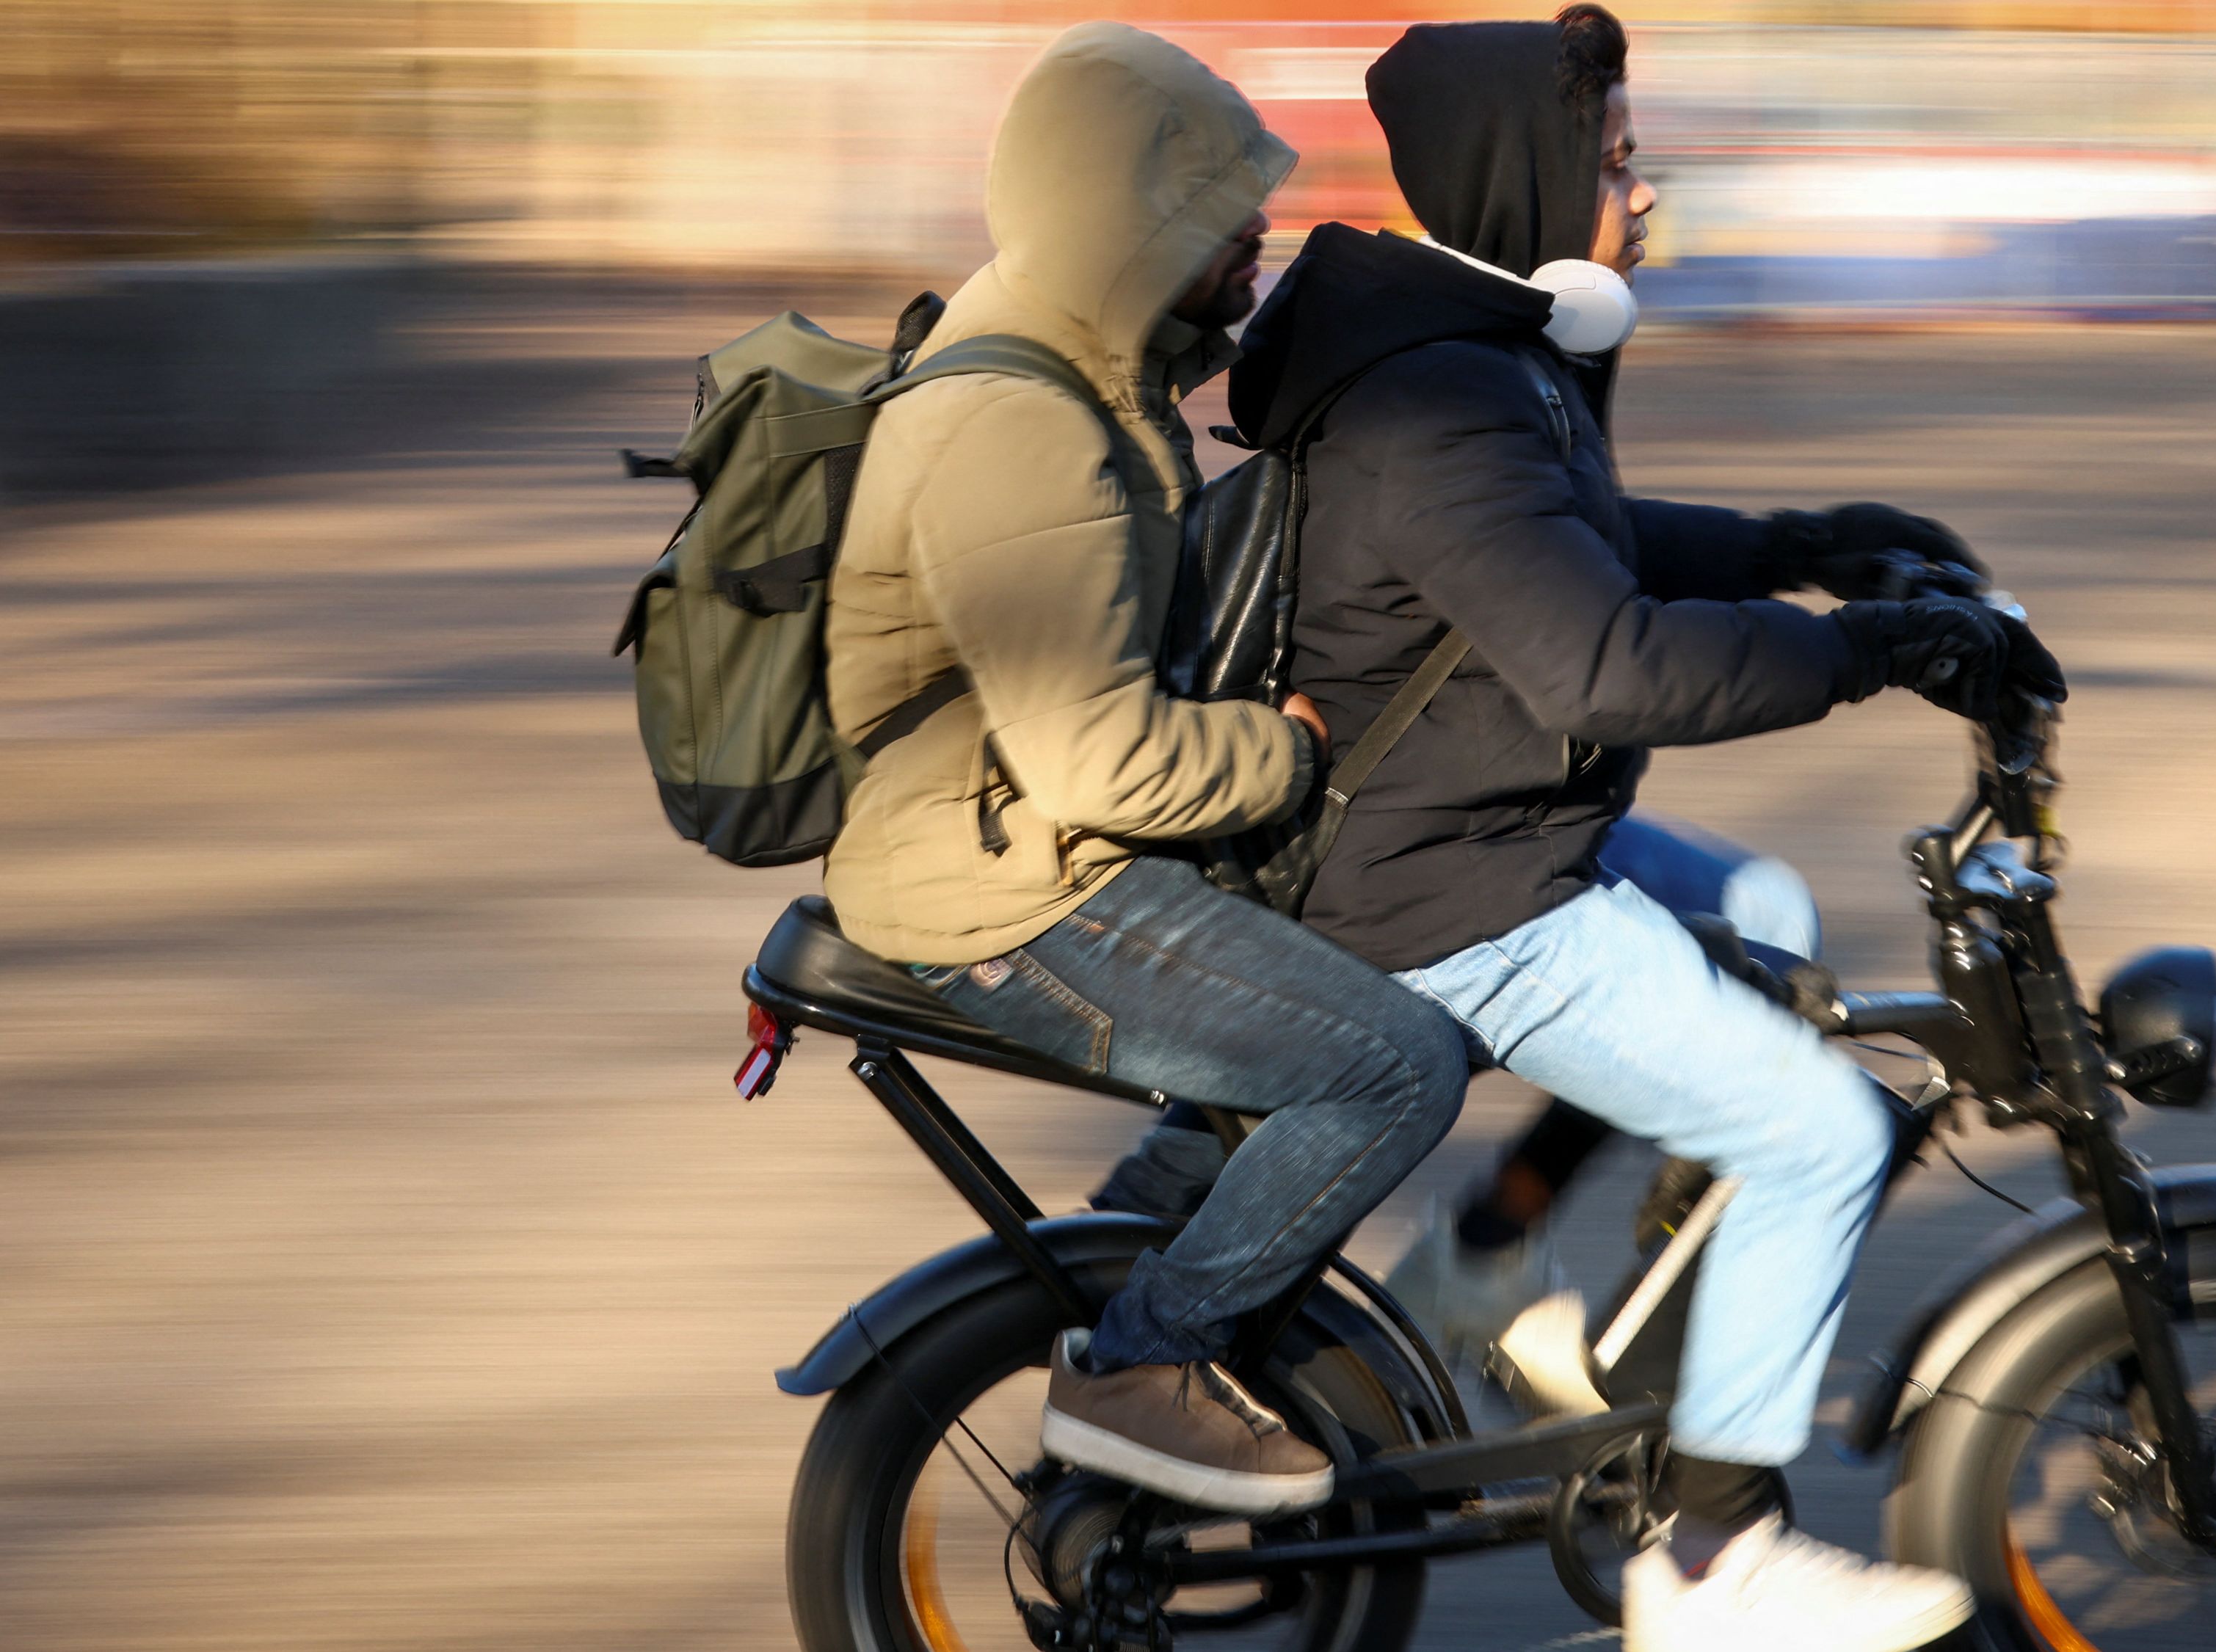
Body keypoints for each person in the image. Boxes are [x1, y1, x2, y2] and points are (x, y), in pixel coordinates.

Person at [1218, 10, 2067, 1648]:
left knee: (1766, 908)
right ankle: (1709, 1563)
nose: (1647, 191)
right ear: (1530, 177)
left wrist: (1807, 545)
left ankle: (1499, 1264)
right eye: (1615, 161)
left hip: (1472, 829)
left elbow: (1585, 540)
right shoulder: (1443, 395)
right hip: (1445, 891)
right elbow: (1604, 664)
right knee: (1818, 1130)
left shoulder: (1475, 352)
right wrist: (1877, 651)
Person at [820, 22, 1470, 1518]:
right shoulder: (1020, 424)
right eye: (1218, 210)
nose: (1259, 232)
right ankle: (1142, 1361)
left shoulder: (1083, 368)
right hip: (1009, 890)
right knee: (1390, 1063)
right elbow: (1095, 758)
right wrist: (1287, 751)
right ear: (1123, 224)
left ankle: (1136, 1258)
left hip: (1023, 841)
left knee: (1375, 957)